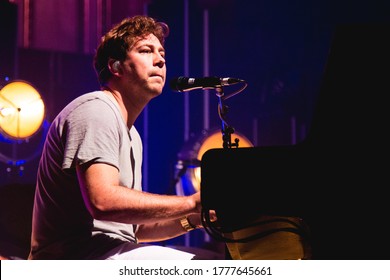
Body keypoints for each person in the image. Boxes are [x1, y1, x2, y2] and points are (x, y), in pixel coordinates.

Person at [28, 15, 222, 260]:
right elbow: (104, 201)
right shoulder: (96, 110)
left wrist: (196, 219)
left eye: (161, 52)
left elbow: (135, 228)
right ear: (115, 66)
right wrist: (191, 203)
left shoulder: (132, 134)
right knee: (214, 266)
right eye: (146, 50)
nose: (160, 59)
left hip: (107, 255)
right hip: (76, 260)